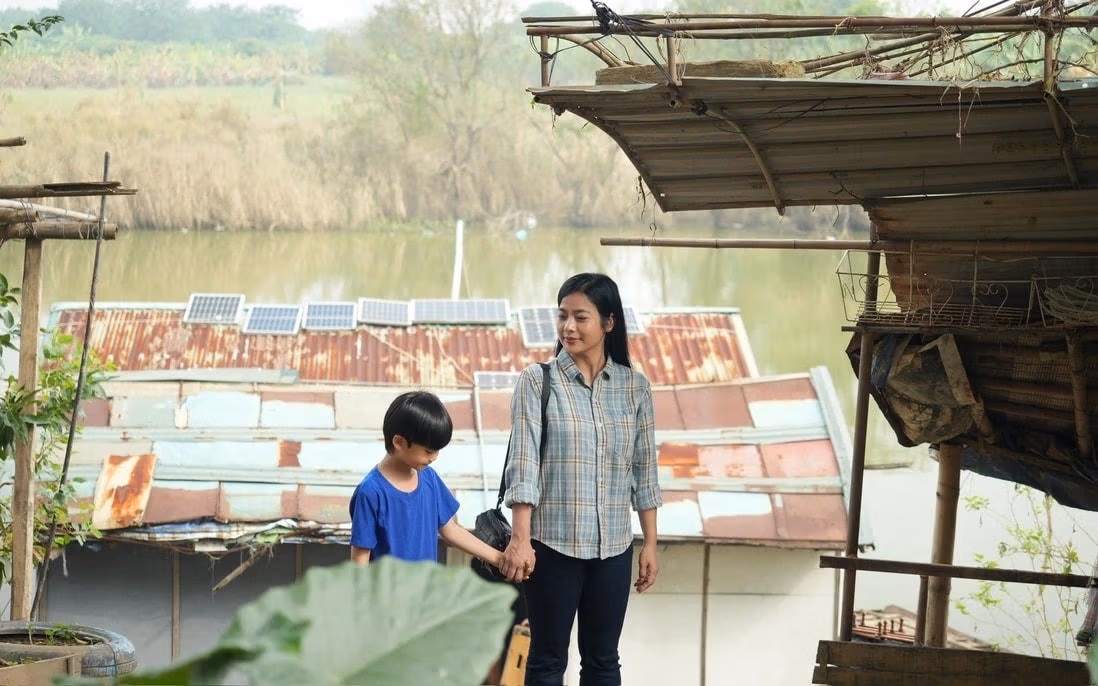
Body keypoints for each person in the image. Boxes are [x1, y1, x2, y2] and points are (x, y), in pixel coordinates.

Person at [500, 272, 662, 686]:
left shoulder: (635, 389)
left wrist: (650, 543)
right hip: (552, 545)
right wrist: (520, 540)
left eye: (580, 317)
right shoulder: (538, 381)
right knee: (547, 661)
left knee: (604, 662)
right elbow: (523, 466)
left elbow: (644, 471)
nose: (568, 327)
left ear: (609, 323)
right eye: (563, 316)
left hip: (613, 549)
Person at [349, 391, 504, 569]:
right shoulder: (370, 493)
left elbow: (451, 530)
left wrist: (499, 559)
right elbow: (360, 562)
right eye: (428, 451)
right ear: (399, 442)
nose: (434, 458)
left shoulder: (430, 479)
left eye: (438, 451)